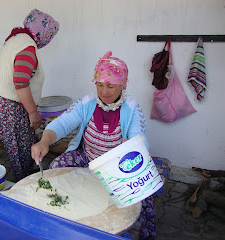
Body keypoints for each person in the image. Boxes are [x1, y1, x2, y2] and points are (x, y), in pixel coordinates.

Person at [31, 51, 156, 240]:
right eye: (99, 84)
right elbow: (62, 123)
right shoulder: (87, 103)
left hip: (117, 167)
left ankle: (147, 235)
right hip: (87, 157)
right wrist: (44, 141)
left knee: (144, 195)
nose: (104, 91)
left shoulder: (131, 108)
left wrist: (131, 145)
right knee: (56, 167)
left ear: (123, 84)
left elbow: (140, 138)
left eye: (111, 86)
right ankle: (65, 215)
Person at [0, 9, 59, 182]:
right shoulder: (26, 46)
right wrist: (33, 112)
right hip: (10, 106)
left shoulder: (17, 39)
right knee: (19, 149)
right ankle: (24, 184)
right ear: (42, 32)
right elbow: (20, 82)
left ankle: (27, 175)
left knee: (21, 145)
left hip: (5, 103)